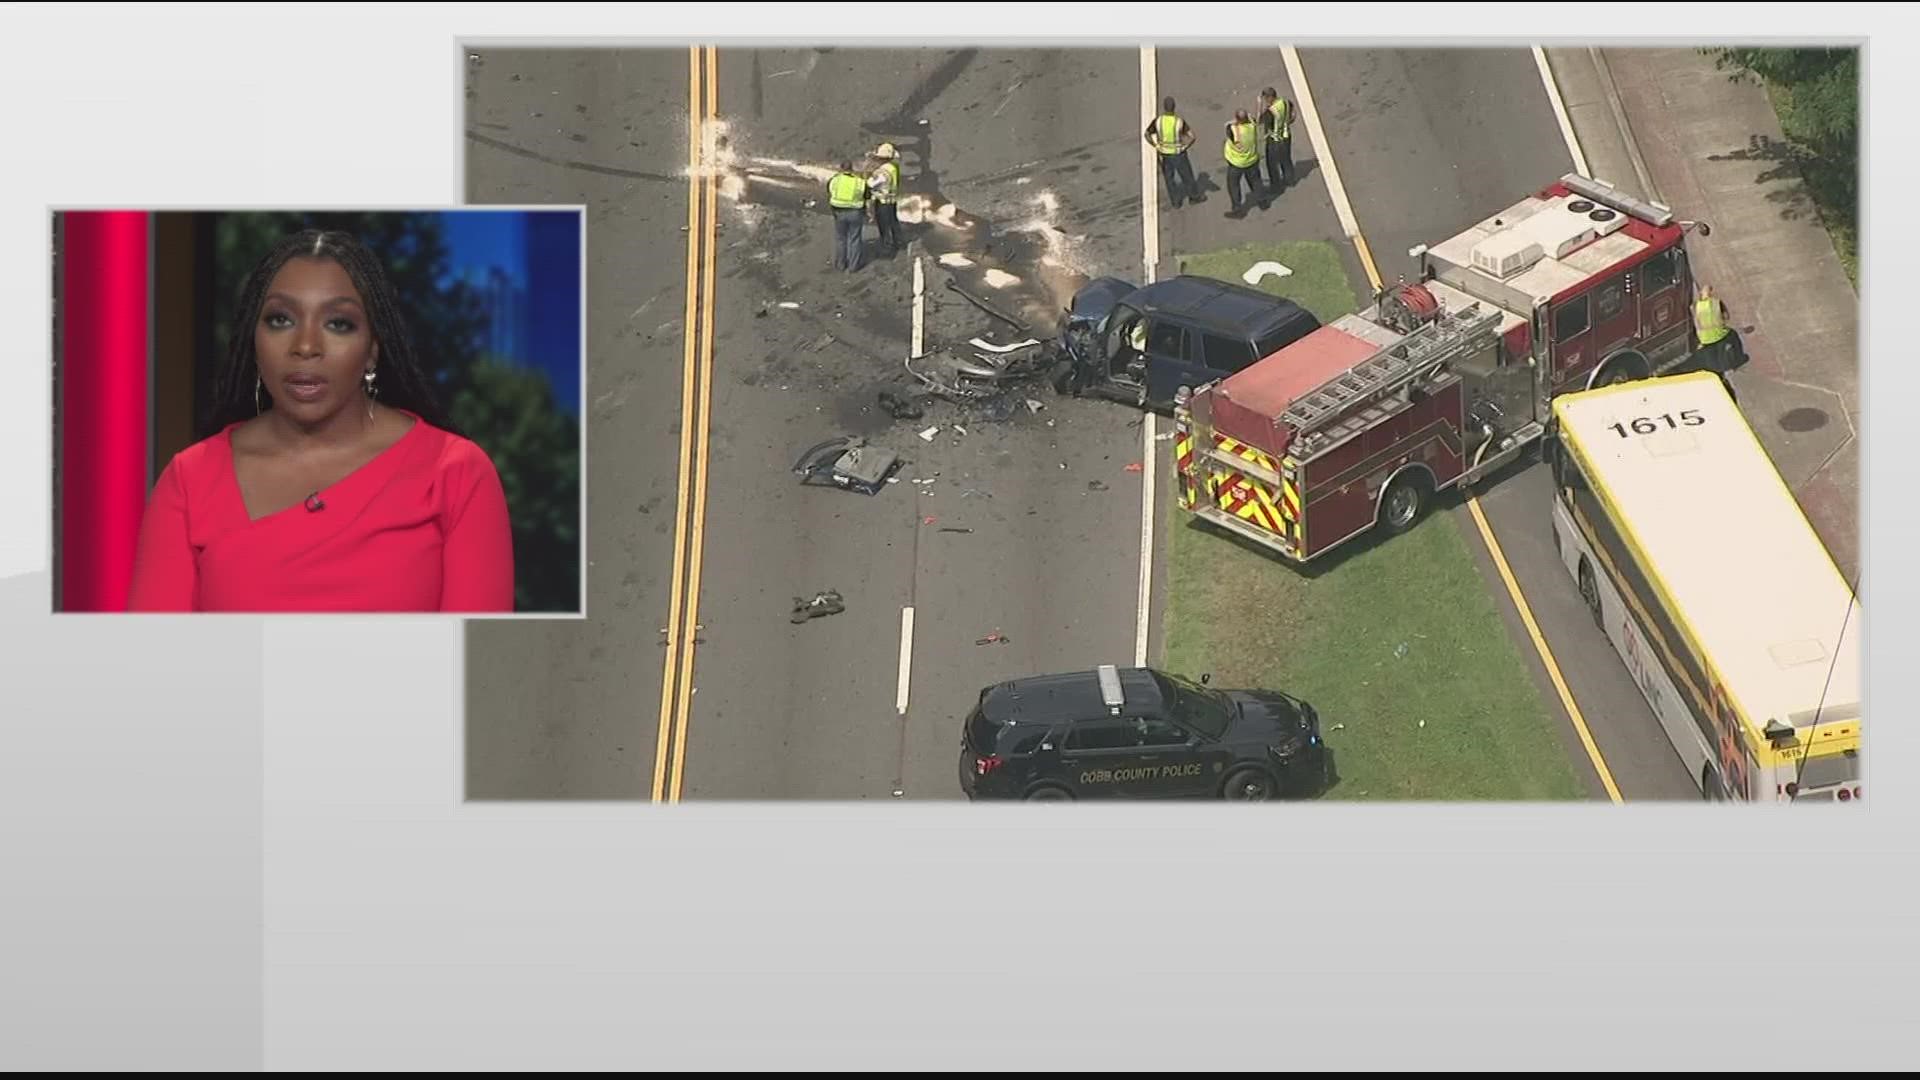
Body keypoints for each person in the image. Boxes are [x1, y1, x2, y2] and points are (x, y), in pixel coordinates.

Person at [126, 229, 516, 613]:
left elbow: (477, 672)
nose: (306, 346)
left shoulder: (456, 474)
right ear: (253, 340)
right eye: (280, 320)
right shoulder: (190, 481)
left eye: (338, 324)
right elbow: (158, 669)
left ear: (372, 350)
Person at [1144, 96, 1202, 208]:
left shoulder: (1158, 121)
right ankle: (1194, 197)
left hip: (1164, 155)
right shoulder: (1179, 122)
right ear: (1174, 107)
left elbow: (1147, 135)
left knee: (1169, 179)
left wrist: (1156, 145)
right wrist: (1185, 146)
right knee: (1187, 176)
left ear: (1164, 108)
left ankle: (1175, 202)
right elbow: (1192, 136)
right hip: (1178, 154)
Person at [1223, 109, 1268, 218]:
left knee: (1233, 185)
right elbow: (1252, 118)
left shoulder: (1233, 130)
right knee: (1256, 181)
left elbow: (1226, 125)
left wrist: (1235, 121)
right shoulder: (1252, 126)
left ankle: (1237, 208)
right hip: (1251, 160)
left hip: (1236, 163)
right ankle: (1262, 201)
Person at [827, 160, 869, 272]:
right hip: (855, 213)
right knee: (854, 239)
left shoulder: (835, 180)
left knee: (841, 238)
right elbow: (867, 195)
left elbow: (830, 191)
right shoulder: (859, 182)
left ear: (841, 169)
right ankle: (853, 266)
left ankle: (841, 265)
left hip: (839, 212)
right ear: (852, 169)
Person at [1692, 283, 1744, 373]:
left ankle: (1714, 371)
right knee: (1733, 336)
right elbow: (1727, 317)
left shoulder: (1695, 306)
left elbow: (1696, 322)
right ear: (1711, 293)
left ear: (1700, 294)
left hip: (1704, 338)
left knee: (1710, 355)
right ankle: (1736, 361)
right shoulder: (1717, 302)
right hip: (1720, 334)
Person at [1257, 87, 1297, 195]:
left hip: (1274, 140)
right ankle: (1290, 180)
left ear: (1269, 97)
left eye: (1265, 98)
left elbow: (1259, 120)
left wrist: (1260, 106)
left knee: (1272, 164)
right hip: (1286, 135)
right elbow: (1293, 113)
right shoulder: (1285, 102)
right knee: (1286, 159)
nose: (1265, 101)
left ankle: (1276, 186)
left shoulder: (1271, 112)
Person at [868, 143, 904, 257]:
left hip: (882, 202)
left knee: (884, 225)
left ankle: (887, 248)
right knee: (894, 222)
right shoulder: (894, 167)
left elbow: (871, 183)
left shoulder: (882, 171)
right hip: (892, 199)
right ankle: (899, 242)